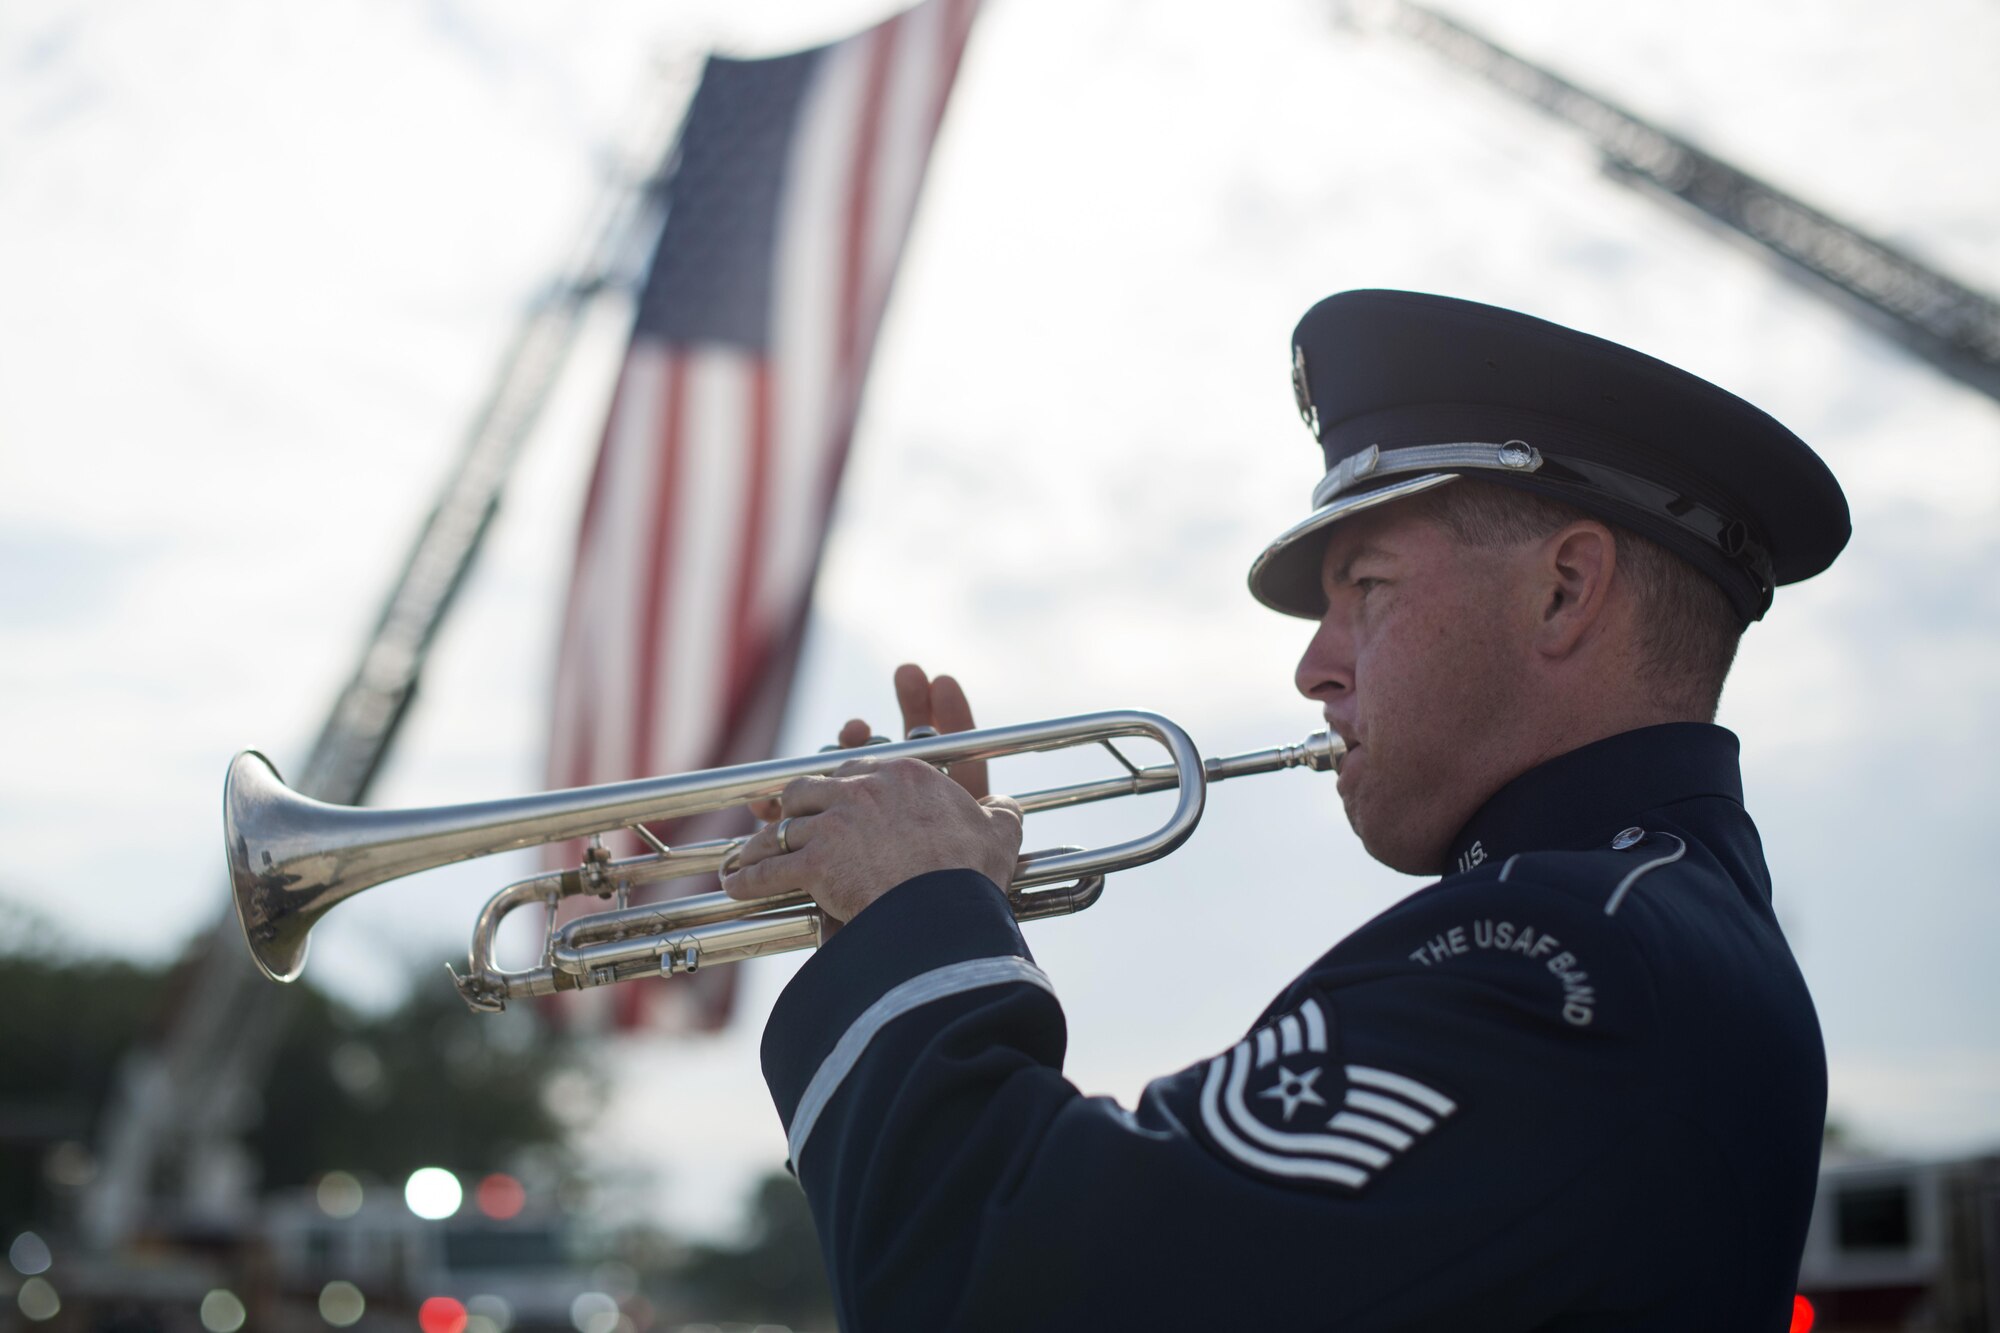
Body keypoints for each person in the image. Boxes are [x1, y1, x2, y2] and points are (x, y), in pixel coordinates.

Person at [721, 289, 1849, 1330]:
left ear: (1563, 589)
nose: (1314, 666)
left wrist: (916, 924)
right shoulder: (1650, 921)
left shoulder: (1561, 954)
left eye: (1366, 587)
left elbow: (1006, 1286)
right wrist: (905, 931)